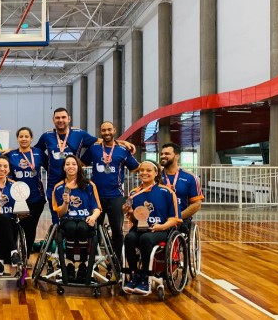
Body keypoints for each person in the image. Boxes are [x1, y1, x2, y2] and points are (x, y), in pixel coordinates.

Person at [80, 121, 139, 261]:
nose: (106, 132)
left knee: (117, 231)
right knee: (93, 229)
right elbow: (82, 163)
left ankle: (117, 260)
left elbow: (135, 167)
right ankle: (92, 261)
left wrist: (155, 168)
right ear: (100, 132)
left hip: (116, 197)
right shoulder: (94, 148)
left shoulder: (122, 150)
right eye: (103, 130)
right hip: (96, 197)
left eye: (109, 130)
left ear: (114, 130)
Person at [122, 160, 181, 295]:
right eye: (142, 170)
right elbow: (133, 219)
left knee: (146, 239)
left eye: (148, 170)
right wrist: (130, 212)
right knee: (129, 238)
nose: (144, 173)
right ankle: (134, 274)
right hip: (140, 228)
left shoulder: (166, 191)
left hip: (161, 229)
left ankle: (145, 277)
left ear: (156, 173)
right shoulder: (134, 193)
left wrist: (161, 227)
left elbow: (175, 219)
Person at [36, 108, 100, 224]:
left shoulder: (79, 134)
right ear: (53, 120)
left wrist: (122, 142)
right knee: (57, 220)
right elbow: (34, 152)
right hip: (54, 184)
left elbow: (99, 141)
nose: (61, 120)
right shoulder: (47, 136)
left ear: (69, 119)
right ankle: (59, 241)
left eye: (63, 117)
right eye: (57, 118)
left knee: (78, 218)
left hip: (77, 184)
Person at [52, 155, 101, 284]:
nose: (71, 166)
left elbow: (97, 208)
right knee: (71, 227)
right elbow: (60, 214)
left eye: (73, 164)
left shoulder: (89, 185)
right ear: (64, 168)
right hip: (67, 219)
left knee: (82, 227)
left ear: (78, 167)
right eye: (67, 164)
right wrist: (66, 203)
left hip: (85, 219)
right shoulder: (59, 187)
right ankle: (69, 264)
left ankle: (84, 265)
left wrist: (93, 217)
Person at [7, 127, 46, 255]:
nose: (24, 139)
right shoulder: (11, 154)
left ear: (31, 138)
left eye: (26, 136)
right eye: (21, 136)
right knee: (16, 227)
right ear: (17, 139)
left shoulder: (39, 153)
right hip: (16, 199)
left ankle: (26, 255)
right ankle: (13, 254)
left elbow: (52, 168)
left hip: (36, 198)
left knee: (30, 228)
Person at [159, 142, 204, 233]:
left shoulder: (190, 177)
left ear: (176, 156)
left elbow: (197, 204)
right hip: (158, 218)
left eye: (167, 154)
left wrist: (177, 217)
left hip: (180, 220)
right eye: (162, 154)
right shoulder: (155, 176)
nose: (163, 156)